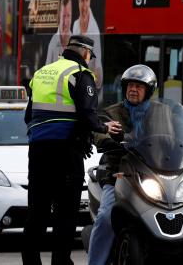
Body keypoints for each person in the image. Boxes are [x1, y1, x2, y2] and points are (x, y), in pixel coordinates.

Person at [22, 35, 122, 265]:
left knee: (36, 214)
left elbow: (29, 116)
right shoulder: (80, 74)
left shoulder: (42, 73)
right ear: (86, 53)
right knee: (64, 215)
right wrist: (104, 126)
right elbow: (88, 116)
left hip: (37, 152)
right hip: (66, 153)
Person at [87, 64, 157, 265]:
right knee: (105, 218)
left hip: (153, 177)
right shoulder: (112, 112)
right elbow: (99, 130)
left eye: (139, 86)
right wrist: (104, 140)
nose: (133, 90)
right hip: (119, 177)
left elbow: (173, 135)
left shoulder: (159, 113)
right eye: (130, 86)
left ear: (148, 91)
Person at [73, 0, 103, 101]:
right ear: (78, 1)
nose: (84, 5)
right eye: (82, 0)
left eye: (87, 0)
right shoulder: (75, 25)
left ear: (90, 1)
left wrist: (96, 75)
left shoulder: (95, 31)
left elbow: (97, 64)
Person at [46, 0, 72, 65]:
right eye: (63, 16)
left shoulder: (76, 44)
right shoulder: (53, 43)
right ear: (60, 16)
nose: (66, 22)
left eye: (68, 16)